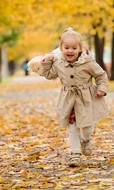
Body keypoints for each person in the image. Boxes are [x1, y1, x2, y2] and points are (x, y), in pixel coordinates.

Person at [39, 27, 109, 167]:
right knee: (73, 128)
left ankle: (85, 139)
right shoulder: (58, 63)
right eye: (66, 48)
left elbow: (101, 75)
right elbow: (49, 75)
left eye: (74, 48)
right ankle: (75, 154)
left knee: (88, 127)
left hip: (86, 98)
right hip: (69, 99)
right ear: (61, 48)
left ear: (80, 48)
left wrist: (101, 88)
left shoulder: (88, 62)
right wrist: (47, 61)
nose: (70, 51)